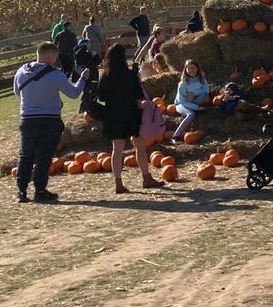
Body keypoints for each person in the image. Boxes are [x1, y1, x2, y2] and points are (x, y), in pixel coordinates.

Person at [13, 42, 88, 203]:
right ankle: (40, 190)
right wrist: (83, 79)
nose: (56, 59)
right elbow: (74, 94)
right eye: (55, 56)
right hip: (49, 119)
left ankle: (21, 190)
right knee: (43, 156)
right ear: (47, 55)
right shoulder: (56, 75)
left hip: (27, 119)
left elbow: (17, 92)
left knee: (25, 154)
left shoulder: (21, 72)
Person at [97, 43, 163, 193]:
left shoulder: (105, 76)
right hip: (131, 113)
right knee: (139, 146)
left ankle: (118, 183)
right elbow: (139, 95)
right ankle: (146, 177)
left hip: (113, 115)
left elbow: (101, 96)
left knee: (117, 150)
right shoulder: (130, 75)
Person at [171, 60, 210, 141]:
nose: (191, 70)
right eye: (189, 68)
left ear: (197, 69)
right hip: (181, 105)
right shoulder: (183, 83)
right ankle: (176, 136)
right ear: (185, 70)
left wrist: (203, 78)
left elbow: (207, 91)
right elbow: (181, 101)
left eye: (193, 68)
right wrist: (196, 107)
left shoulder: (201, 80)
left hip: (193, 101)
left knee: (204, 94)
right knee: (191, 114)